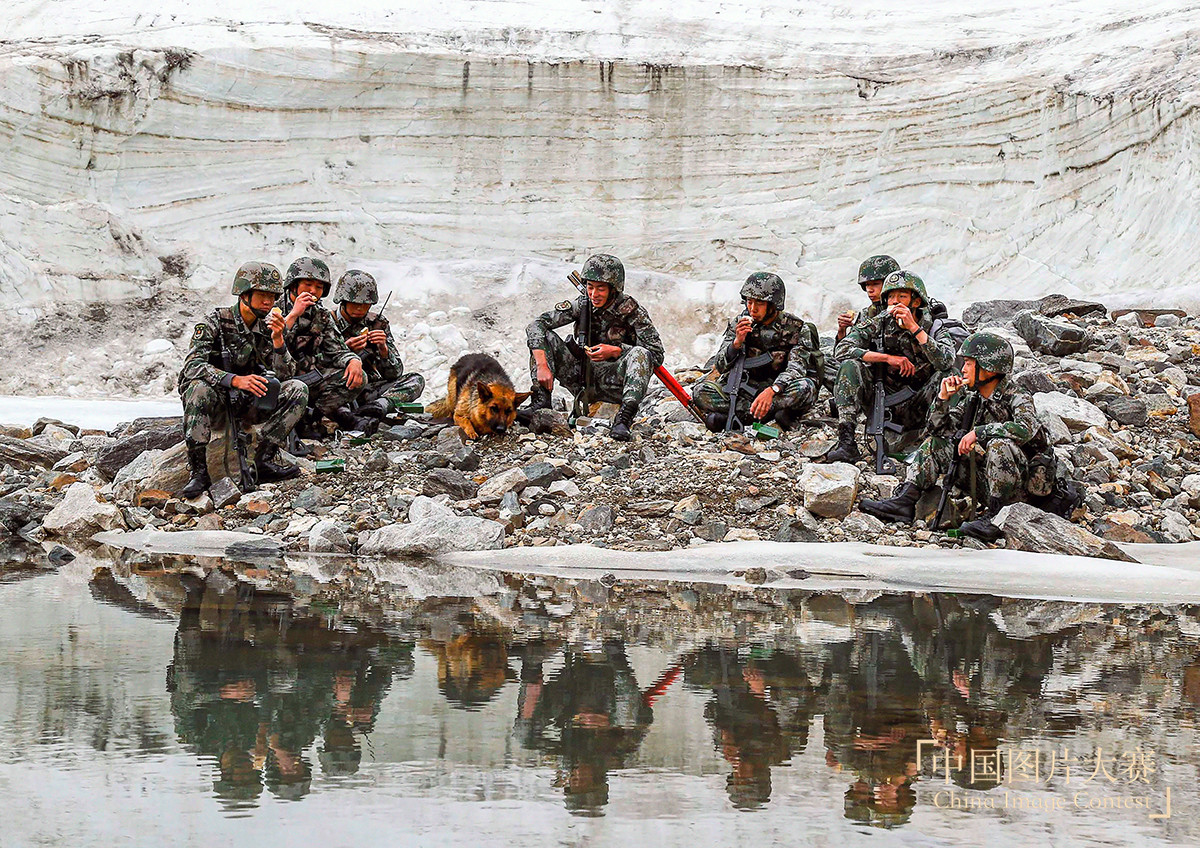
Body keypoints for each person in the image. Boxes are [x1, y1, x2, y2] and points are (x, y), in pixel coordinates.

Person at [859, 332, 1050, 541]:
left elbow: (1026, 428)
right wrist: (943, 399)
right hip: (987, 482)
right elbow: (937, 430)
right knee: (935, 444)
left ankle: (996, 517)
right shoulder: (974, 399)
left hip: (1021, 491)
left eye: (968, 363)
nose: (963, 369)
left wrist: (978, 432)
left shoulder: (1017, 395)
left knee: (998, 445)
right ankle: (905, 501)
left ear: (988, 367)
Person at [179, 261, 307, 497]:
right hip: (216, 401)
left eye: (272, 297)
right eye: (262, 295)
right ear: (244, 294)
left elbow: (286, 375)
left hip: (248, 402)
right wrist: (233, 380)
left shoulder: (267, 327)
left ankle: (264, 459)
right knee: (197, 388)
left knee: (298, 389)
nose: (268, 302)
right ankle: (198, 472)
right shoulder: (215, 322)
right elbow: (192, 366)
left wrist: (278, 340)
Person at [525, 254, 664, 441]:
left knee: (641, 353)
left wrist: (617, 351)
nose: (593, 294)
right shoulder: (582, 304)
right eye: (590, 287)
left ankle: (623, 419)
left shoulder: (632, 311)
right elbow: (536, 325)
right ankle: (540, 403)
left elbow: (656, 354)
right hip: (581, 377)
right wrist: (542, 365)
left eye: (600, 289)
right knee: (544, 339)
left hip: (615, 382)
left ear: (613, 289)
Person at [825, 270, 955, 464]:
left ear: (916, 302)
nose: (895, 302)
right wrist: (887, 358)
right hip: (885, 401)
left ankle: (939, 442)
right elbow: (843, 349)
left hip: (921, 403)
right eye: (891, 297)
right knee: (850, 366)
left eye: (902, 297)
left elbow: (946, 362)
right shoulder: (880, 322)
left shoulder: (934, 326)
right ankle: (846, 442)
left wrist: (914, 328)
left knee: (949, 376)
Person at [691, 272, 822, 431]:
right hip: (745, 389)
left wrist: (773, 390)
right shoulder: (740, 323)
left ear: (773, 304)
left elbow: (797, 368)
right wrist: (736, 343)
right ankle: (765, 415)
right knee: (700, 392)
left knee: (805, 387)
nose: (752, 309)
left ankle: (744, 416)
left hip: (778, 389)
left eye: (759, 303)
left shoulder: (796, 328)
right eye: (749, 302)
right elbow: (720, 366)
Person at [279, 257, 371, 434]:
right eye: (308, 285)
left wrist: (353, 360)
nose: (313, 291)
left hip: (308, 378)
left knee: (356, 377)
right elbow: (267, 347)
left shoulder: (321, 315)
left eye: (319, 287)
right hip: (277, 378)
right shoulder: (273, 308)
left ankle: (309, 417)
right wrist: (293, 315)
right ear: (293, 285)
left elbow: (337, 349)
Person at [330, 270, 426, 418]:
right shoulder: (327, 322)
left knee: (416, 380)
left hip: (370, 389)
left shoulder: (377, 323)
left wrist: (383, 349)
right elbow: (317, 366)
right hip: (339, 387)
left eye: (365, 304)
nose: (360, 308)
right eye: (355, 303)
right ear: (342, 300)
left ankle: (378, 407)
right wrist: (345, 351)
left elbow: (395, 374)